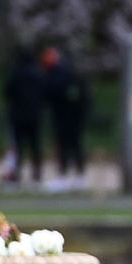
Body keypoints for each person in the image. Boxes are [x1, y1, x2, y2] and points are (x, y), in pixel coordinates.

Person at [45, 47, 90, 184]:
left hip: (66, 117)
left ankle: (66, 176)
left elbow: (54, 95)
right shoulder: (74, 75)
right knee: (74, 145)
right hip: (73, 118)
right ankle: (77, 176)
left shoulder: (60, 76)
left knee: (66, 146)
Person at [4, 46, 45, 185]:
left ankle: (16, 173)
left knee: (18, 146)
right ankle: (37, 174)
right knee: (35, 145)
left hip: (18, 116)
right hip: (35, 116)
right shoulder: (38, 74)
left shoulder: (16, 74)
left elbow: (8, 92)